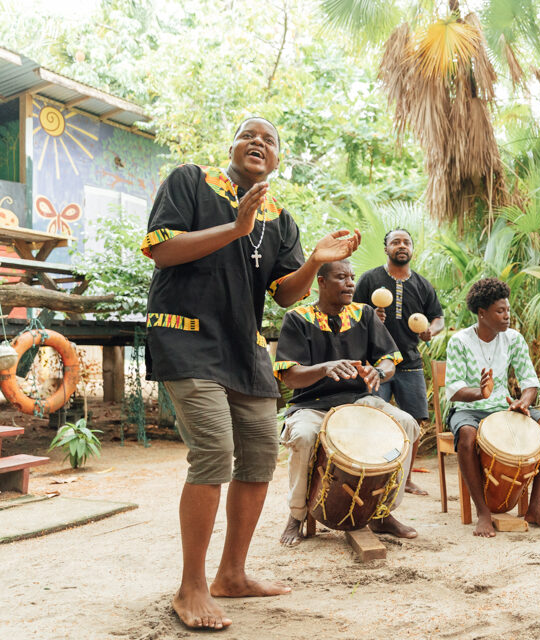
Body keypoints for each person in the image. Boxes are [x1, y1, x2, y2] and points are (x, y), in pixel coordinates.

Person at [142, 117, 361, 630]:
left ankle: (231, 575)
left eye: (270, 140)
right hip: (186, 336)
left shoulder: (279, 218)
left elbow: (285, 294)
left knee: (260, 456)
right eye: (249, 135)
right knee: (214, 451)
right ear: (233, 146)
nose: (258, 143)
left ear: (278, 159)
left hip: (244, 348)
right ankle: (191, 586)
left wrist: (313, 262)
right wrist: (236, 228)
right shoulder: (190, 180)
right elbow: (160, 248)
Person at [274, 260, 420, 547]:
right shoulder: (297, 318)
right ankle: (297, 515)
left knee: (407, 424)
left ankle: (383, 513)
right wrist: (324, 368)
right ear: (322, 282)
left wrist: (379, 372)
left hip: (359, 401)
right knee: (304, 436)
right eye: (341, 277)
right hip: (311, 405)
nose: (350, 283)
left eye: (352, 277)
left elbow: (389, 359)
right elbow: (290, 377)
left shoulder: (364, 314)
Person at [444, 278, 540, 537]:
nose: (507, 316)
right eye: (500, 311)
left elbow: (530, 383)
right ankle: (483, 512)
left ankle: (534, 507)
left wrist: (523, 402)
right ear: (482, 314)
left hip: (504, 408)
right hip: (468, 409)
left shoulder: (513, 339)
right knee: (467, 436)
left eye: (507, 310)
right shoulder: (460, 342)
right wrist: (479, 392)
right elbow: (454, 390)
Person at [354, 229, 444, 495]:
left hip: (410, 362)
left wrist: (431, 331)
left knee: (414, 422)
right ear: (387, 249)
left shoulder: (422, 284)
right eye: (396, 242)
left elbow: (438, 317)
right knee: (373, 419)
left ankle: (405, 479)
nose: (401, 245)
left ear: (412, 249)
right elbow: (352, 312)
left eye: (406, 242)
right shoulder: (370, 279)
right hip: (376, 363)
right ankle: (372, 475)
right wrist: (370, 317)